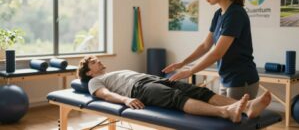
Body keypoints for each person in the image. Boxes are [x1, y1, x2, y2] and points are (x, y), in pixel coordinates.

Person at [77, 55, 271, 123]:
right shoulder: (94, 82)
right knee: (177, 98)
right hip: (139, 89)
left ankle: (245, 107)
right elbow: (105, 95)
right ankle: (225, 113)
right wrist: (126, 100)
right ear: (89, 73)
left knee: (199, 91)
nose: (98, 61)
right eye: (93, 62)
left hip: (153, 79)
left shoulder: (110, 73)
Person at [162, 0, 259, 100]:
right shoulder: (218, 14)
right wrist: (182, 63)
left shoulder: (235, 14)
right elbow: (205, 46)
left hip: (241, 79)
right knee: (224, 118)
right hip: (226, 78)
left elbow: (217, 53)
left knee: (235, 118)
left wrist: (190, 72)